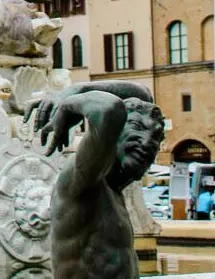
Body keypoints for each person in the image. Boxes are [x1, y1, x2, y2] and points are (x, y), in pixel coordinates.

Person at [26, 81, 165, 279]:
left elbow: (142, 93)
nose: (146, 142)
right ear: (112, 133)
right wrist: (69, 99)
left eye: (155, 138)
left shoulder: (111, 189)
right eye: (136, 128)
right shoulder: (86, 179)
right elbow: (109, 108)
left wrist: (77, 90)